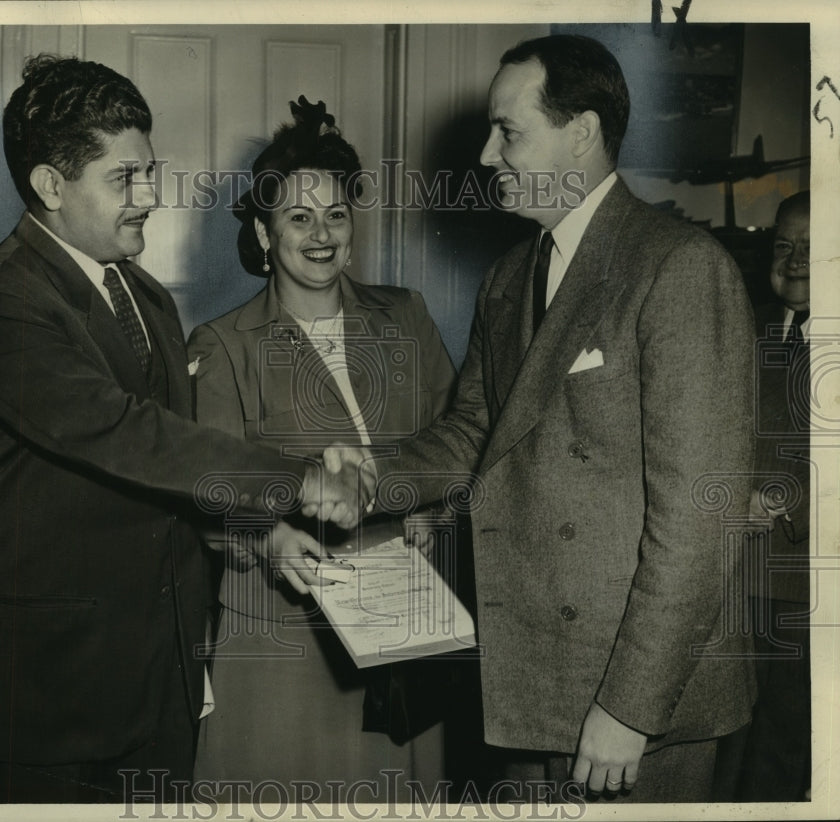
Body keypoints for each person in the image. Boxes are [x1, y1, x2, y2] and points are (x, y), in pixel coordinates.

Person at [319, 34, 757, 803]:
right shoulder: (509, 276)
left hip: (633, 701)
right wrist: (375, 473)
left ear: (580, 133)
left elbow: (700, 519)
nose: (488, 155)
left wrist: (631, 708)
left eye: (508, 132)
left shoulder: (679, 267)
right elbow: (474, 433)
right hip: (526, 682)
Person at [0, 56, 358, 803]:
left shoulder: (146, 297)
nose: (148, 198)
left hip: (155, 689)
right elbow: (132, 437)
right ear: (49, 185)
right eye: (124, 179)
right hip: (43, 705)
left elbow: (177, 477)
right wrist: (297, 481)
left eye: (149, 173)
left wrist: (268, 535)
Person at [187, 97, 459, 798]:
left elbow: (454, 441)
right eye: (298, 217)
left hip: (403, 620)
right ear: (262, 229)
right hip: (283, 630)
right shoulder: (221, 345)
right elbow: (211, 489)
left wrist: (425, 507)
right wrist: (267, 538)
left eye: (336, 215)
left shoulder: (404, 314)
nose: (321, 234)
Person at [734, 190, 811, 801]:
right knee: (726, 733)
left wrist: (787, 499)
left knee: (789, 738)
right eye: (784, 245)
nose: (796, 260)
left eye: (814, 248)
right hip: (729, 568)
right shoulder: (742, 323)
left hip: (806, 580)